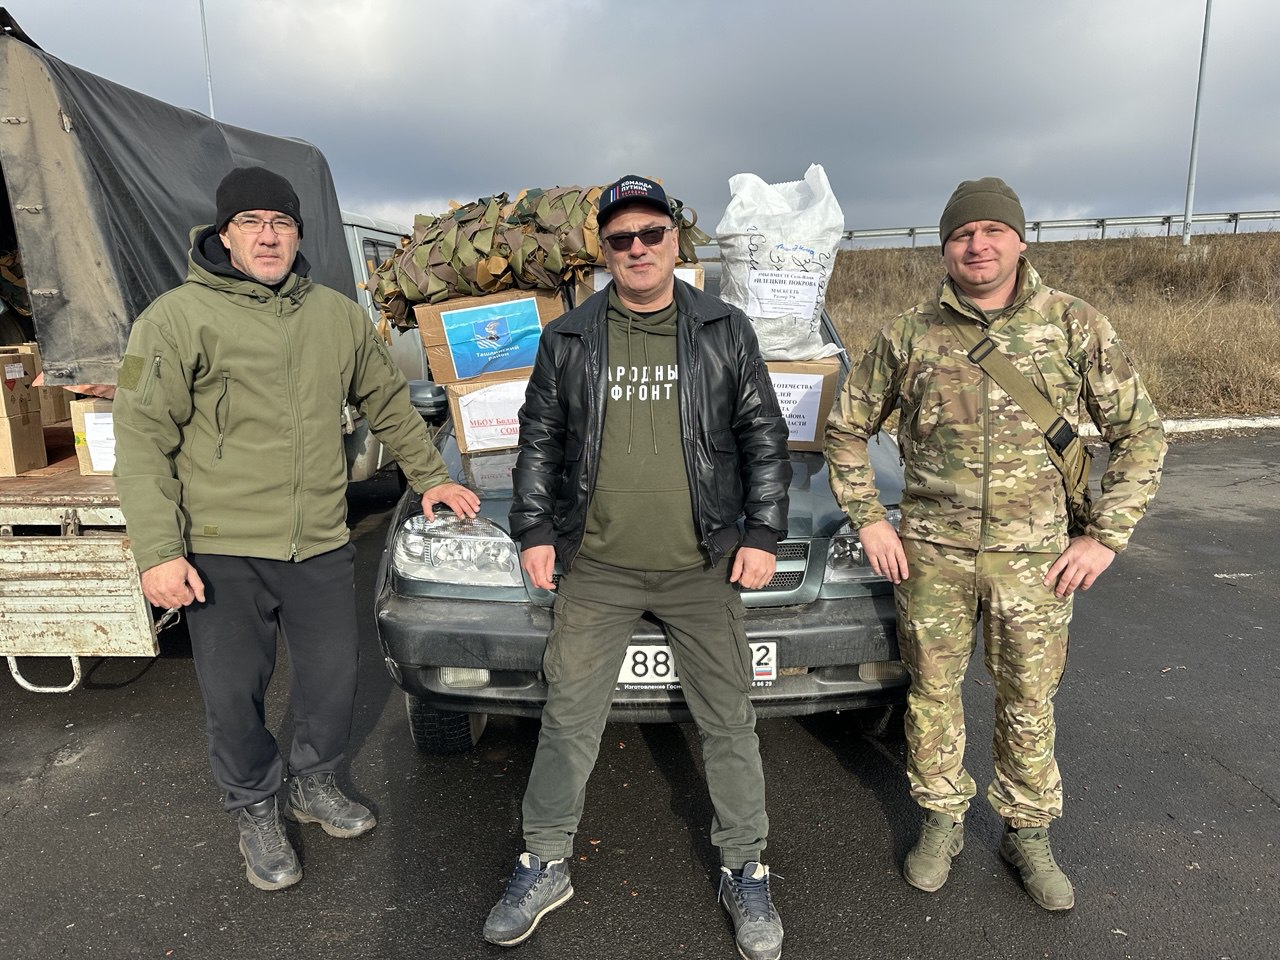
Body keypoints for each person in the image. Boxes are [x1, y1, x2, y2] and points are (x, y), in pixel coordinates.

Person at [111, 166, 479, 891]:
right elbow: (142, 439)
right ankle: (254, 805)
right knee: (233, 694)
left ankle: (314, 782)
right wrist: (158, 551)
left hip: (318, 540)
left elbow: (387, 399)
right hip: (222, 545)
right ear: (224, 236)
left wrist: (432, 476)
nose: (268, 235)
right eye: (250, 223)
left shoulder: (335, 316)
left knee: (333, 679)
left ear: (298, 234)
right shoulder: (175, 319)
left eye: (281, 222)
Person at [824, 177, 1166, 911]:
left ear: (1019, 239)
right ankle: (942, 818)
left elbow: (1140, 434)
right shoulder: (907, 334)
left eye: (991, 231)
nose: (976, 245)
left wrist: (1105, 537)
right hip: (932, 557)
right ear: (944, 247)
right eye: (961, 234)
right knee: (932, 695)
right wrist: (871, 520)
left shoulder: (1074, 324)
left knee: (1028, 700)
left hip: (1036, 561)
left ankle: (1027, 832)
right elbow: (846, 429)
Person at [482, 175, 790, 960]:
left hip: (701, 566)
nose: (638, 249)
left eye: (652, 233)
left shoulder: (723, 329)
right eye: (622, 239)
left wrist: (763, 532)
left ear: (676, 241)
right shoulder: (570, 337)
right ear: (606, 251)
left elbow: (762, 436)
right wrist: (533, 529)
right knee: (568, 719)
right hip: (599, 568)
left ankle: (746, 868)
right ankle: (544, 862)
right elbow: (539, 441)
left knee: (728, 722)